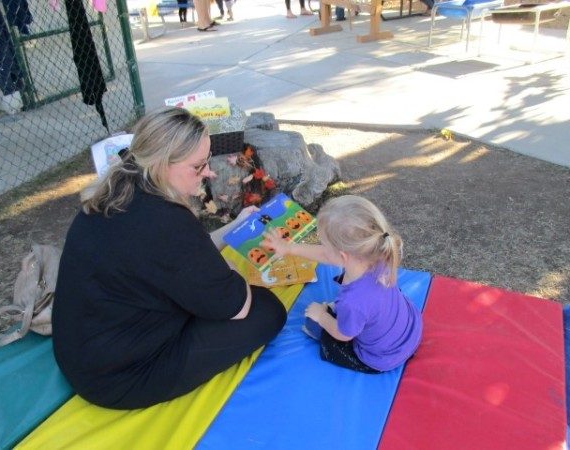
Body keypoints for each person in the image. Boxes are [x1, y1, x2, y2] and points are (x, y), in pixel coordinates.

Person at [52, 108, 287, 410]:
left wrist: (234, 227)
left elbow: (179, 254)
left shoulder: (121, 187)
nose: (209, 173)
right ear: (163, 164)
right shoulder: (165, 222)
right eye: (199, 166)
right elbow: (236, 306)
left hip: (87, 352)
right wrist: (228, 267)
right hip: (120, 378)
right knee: (267, 310)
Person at [262, 195, 422, 374]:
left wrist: (321, 316)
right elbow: (327, 254)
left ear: (343, 256)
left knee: (314, 325)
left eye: (323, 243)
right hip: (411, 330)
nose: (321, 247)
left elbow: (344, 336)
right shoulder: (380, 255)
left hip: (381, 358)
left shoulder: (352, 301)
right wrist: (290, 248)